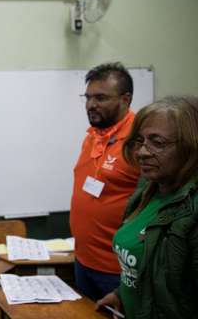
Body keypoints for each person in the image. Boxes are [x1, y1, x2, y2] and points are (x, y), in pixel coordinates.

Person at [97, 96, 198, 319]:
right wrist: (122, 294)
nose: (142, 152)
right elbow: (147, 270)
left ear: (191, 147)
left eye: (157, 142)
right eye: (140, 141)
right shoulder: (148, 188)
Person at [69, 63, 140, 300]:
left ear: (125, 99)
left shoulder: (140, 141)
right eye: (88, 97)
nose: (91, 105)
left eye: (100, 98)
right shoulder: (94, 136)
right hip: (83, 260)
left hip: (118, 270)